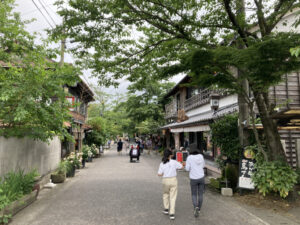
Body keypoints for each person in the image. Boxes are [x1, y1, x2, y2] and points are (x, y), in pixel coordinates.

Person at [157, 149, 183, 220]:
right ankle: (172, 213)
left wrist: (164, 173)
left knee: (165, 194)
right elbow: (181, 167)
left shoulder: (162, 163)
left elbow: (159, 174)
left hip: (165, 180)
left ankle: (166, 209)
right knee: (173, 197)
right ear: (170, 155)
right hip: (173, 180)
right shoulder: (174, 162)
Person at [185, 149, 205, 218]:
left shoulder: (189, 158)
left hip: (193, 178)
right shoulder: (201, 156)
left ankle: (195, 207)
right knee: (200, 194)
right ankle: (199, 209)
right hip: (201, 177)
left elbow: (187, 169)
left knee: (194, 194)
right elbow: (203, 166)